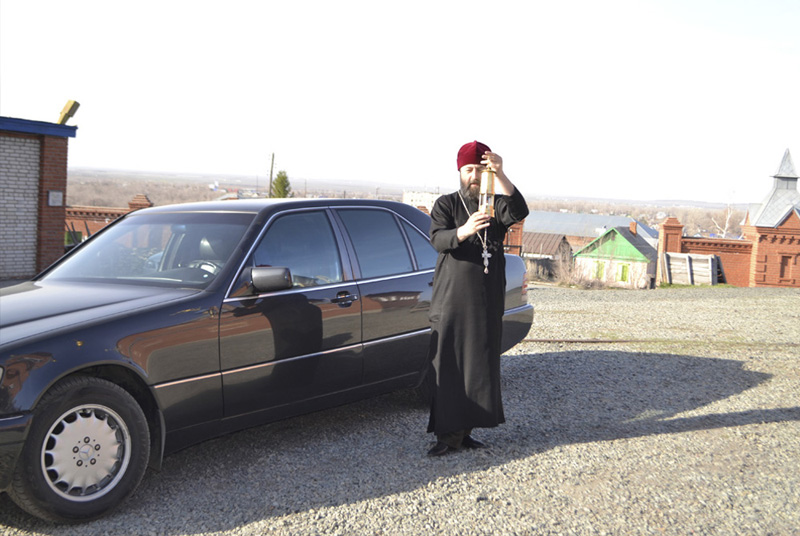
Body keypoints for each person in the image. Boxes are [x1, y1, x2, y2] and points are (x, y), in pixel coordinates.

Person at [426, 140, 529, 457]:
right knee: (451, 366)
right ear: (460, 172)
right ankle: (448, 435)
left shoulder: (495, 205)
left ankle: (466, 432)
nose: (473, 176)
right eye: (468, 169)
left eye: (479, 170)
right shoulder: (446, 204)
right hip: (452, 300)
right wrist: (464, 230)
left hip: (486, 300)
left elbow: (519, 211)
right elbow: (437, 239)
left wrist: (501, 173)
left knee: (479, 367)